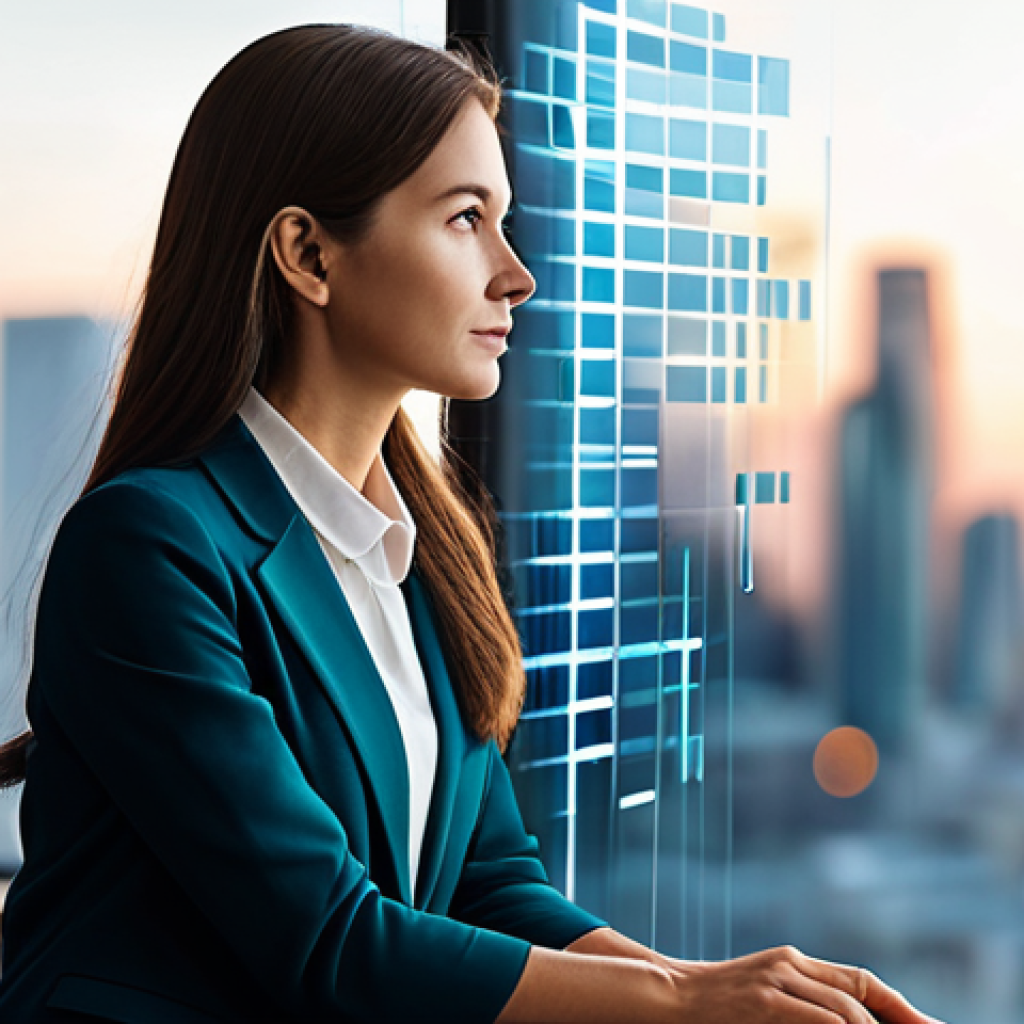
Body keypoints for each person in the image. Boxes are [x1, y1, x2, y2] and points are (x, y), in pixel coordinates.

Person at [0, 23, 942, 1024]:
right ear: (308, 253)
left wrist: (726, 994)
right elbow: (327, 940)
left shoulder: (423, 552)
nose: (513, 272)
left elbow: (488, 882)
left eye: (505, 219)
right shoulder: (149, 546)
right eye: (464, 219)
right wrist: (681, 998)